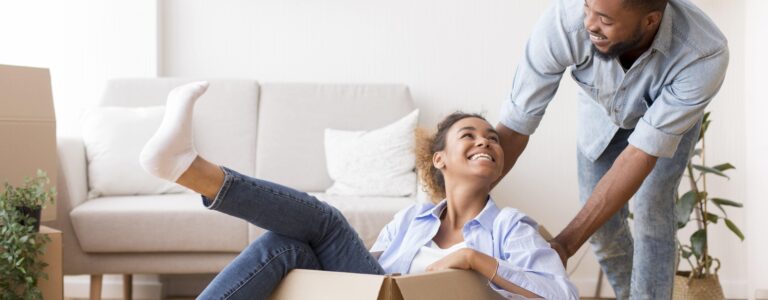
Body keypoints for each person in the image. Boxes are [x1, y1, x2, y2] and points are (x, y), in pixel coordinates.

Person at [139, 82, 579, 299]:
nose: (486, 141)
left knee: (327, 222)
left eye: (493, 139)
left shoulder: (510, 226)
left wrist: (472, 258)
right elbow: (372, 278)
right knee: (285, 246)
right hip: (384, 293)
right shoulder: (410, 221)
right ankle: (185, 166)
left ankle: (189, 169)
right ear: (438, 160)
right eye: (469, 135)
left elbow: (563, 294)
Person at [494, 0, 728, 298]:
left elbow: (640, 154)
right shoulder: (565, 22)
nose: (589, 23)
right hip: (601, 115)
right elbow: (515, 124)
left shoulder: (703, 53)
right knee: (600, 231)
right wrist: (465, 198)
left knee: (650, 211)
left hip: (663, 125)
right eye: (588, 7)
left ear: (650, 21)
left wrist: (564, 246)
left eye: (603, 18)